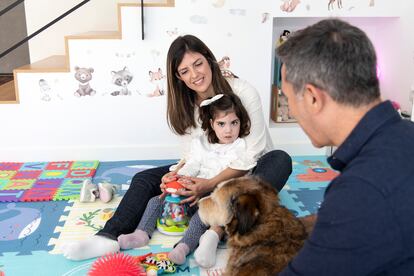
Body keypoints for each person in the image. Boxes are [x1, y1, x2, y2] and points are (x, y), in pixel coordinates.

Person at [61, 34, 292, 262]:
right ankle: (107, 237)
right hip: (205, 172)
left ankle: (219, 229)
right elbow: (191, 155)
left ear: (209, 59)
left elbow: (252, 154)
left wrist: (209, 185)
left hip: (246, 175)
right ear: (178, 77)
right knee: (146, 179)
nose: (195, 75)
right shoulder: (185, 106)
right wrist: (178, 177)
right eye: (185, 71)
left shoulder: (243, 91)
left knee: (280, 159)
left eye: (198, 64)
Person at [276, 18, 414, 275]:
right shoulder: (404, 135)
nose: (290, 108)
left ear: (312, 97)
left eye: (286, 96)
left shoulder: (362, 191)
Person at [117, 93, 256, 265]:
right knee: (156, 201)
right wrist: (180, 177)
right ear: (212, 124)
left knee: (201, 217)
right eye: (221, 124)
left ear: (240, 122)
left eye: (234, 123)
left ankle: (184, 247)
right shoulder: (202, 143)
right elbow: (192, 164)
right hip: (192, 189)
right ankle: (141, 233)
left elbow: (240, 172)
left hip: (213, 196)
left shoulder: (240, 146)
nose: (228, 130)